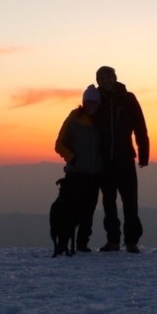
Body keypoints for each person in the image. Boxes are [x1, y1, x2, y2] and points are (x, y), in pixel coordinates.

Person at [92, 65, 149, 253]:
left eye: (109, 77)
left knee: (130, 201)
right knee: (109, 202)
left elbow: (140, 126)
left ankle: (131, 241)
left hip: (125, 157)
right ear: (98, 81)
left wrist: (144, 152)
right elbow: (87, 127)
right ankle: (113, 240)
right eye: (102, 78)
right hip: (103, 160)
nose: (106, 81)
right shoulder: (96, 100)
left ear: (115, 78)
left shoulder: (128, 99)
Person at [53, 85, 105, 253]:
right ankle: (64, 243)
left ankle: (82, 243)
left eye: (95, 103)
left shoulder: (101, 122)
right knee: (68, 209)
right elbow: (59, 144)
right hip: (75, 173)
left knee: (88, 210)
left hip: (95, 173)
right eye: (89, 102)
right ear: (84, 103)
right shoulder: (73, 119)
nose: (91, 106)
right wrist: (71, 157)